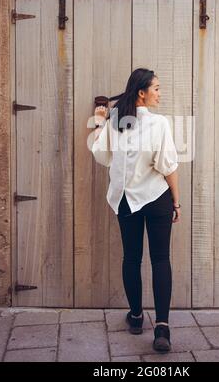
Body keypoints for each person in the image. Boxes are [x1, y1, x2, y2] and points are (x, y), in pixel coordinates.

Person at [88, 68, 181, 353]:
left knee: (131, 258)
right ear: (141, 92)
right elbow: (168, 166)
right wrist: (176, 202)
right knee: (160, 259)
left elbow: (101, 156)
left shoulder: (116, 120)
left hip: (126, 200)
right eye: (156, 88)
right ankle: (162, 328)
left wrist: (99, 122)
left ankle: (137, 317)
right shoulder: (159, 124)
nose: (160, 93)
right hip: (156, 198)